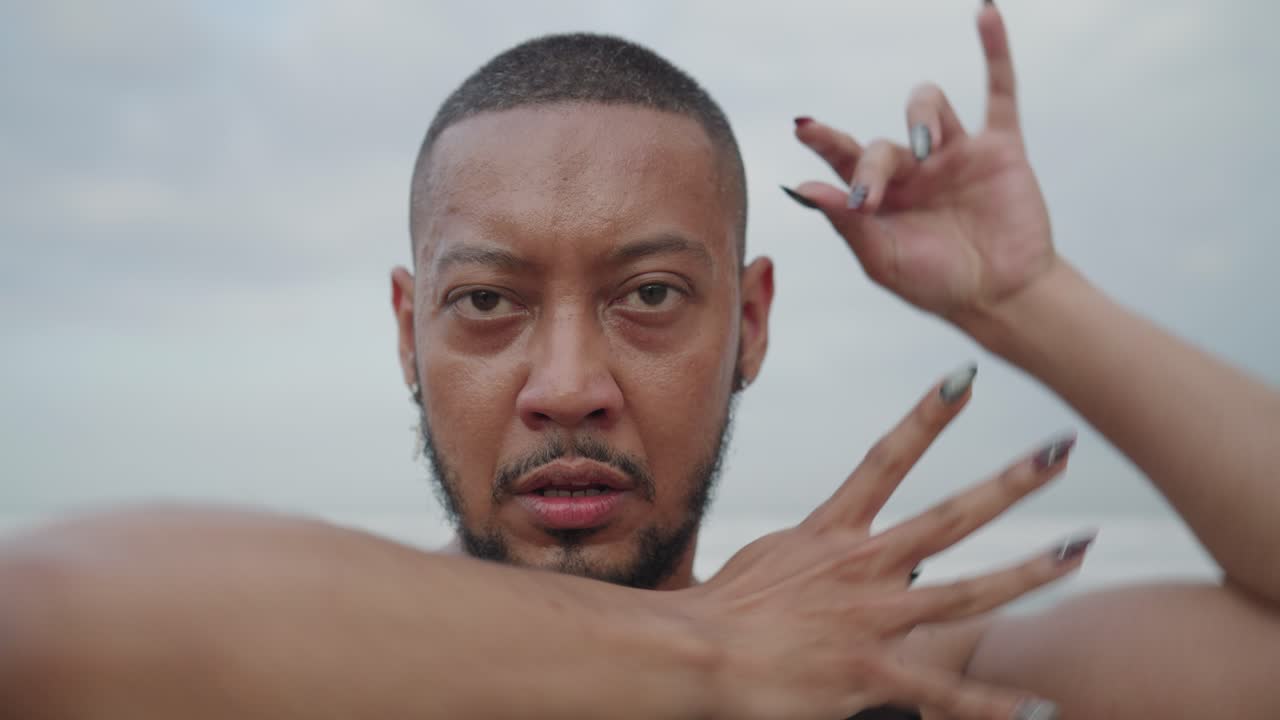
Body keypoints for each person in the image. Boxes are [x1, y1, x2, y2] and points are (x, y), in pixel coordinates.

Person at [1, 4, 1278, 719]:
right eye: (487, 302)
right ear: (406, 332)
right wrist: (703, 652)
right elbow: (51, 618)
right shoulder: (298, 670)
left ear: (752, 324)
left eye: (650, 296)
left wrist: (1031, 302)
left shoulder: (880, 673)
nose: (567, 385)